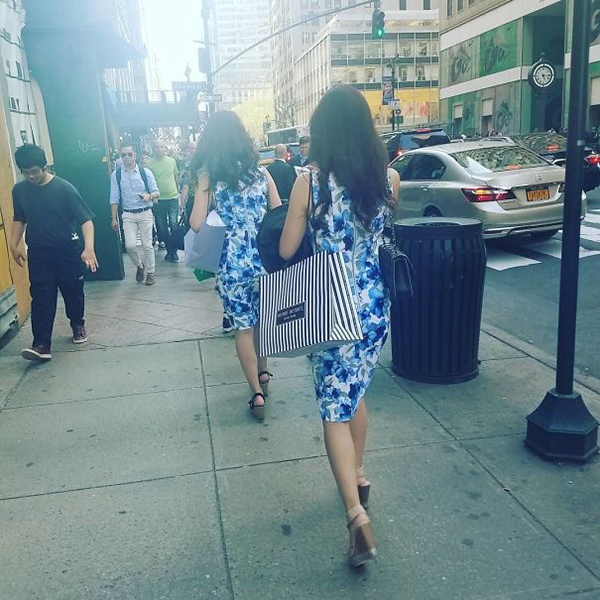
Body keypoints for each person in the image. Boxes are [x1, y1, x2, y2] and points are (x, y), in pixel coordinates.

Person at [279, 85, 400, 567]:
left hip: (330, 309)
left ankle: (355, 517)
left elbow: (288, 250)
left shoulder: (308, 182)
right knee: (357, 393)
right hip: (374, 307)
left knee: (333, 407)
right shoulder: (387, 178)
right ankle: (361, 473)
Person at [190, 111, 282, 419]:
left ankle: (256, 392)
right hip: (264, 261)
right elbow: (277, 210)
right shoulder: (260, 172)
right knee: (263, 324)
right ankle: (265, 373)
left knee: (243, 329)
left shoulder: (209, 176)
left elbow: (197, 223)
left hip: (232, 264)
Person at [10, 144, 98, 362]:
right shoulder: (19, 191)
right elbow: (19, 218)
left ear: (44, 166)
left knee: (73, 291)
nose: (30, 176)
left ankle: (77, 324)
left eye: (34, 171)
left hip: (67, 251)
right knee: (41, 297)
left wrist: (88, 248)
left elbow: (86, 220)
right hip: (39, 252)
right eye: (25, 172)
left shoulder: (64, 188)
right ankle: (41, 344)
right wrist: (13, 244)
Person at [110, 143, 159, 285]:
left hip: (145, 212)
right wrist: (113, 218)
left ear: (135, 155)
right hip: (128, 214)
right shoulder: (117, 175)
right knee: (130, 245)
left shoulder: (145, 173)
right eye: (123, 155)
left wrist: (148, 196)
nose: (126, 157)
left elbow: (157, 192)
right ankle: (139, 266)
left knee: (147, 245)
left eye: (129, 154)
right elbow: (114, 198)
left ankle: (151, 273)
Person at [146, 141, 180, 259]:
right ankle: (169, 250)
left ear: (165, 149)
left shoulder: (172, 161)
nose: (159, 149)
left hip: (172, 197)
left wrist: (177, 191)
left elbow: (176, 176)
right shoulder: (148, 164)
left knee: (174, 223)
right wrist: (152, 196)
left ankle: (174, 250)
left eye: (161, 147)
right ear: (153, 149)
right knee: (161, 226)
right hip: (158, 200)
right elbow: (148, 182)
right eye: (157, 147)